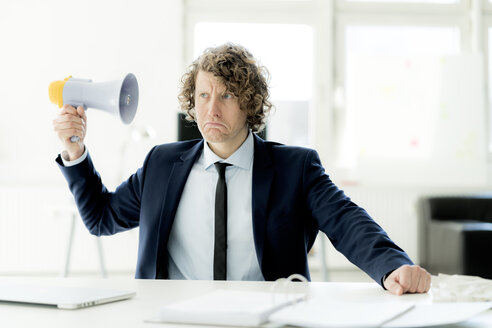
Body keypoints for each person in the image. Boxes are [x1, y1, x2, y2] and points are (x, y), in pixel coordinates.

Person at [53, 43, 431, 295]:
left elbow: (348, 221)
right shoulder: (161, 163)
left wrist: (393, 266)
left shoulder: (295, 167)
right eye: (203, 95)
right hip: (173, 318)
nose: (211, 109)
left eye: (227, 95)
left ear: (250, 104)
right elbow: (100, 218)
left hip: (266, 317)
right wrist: (75, 150)